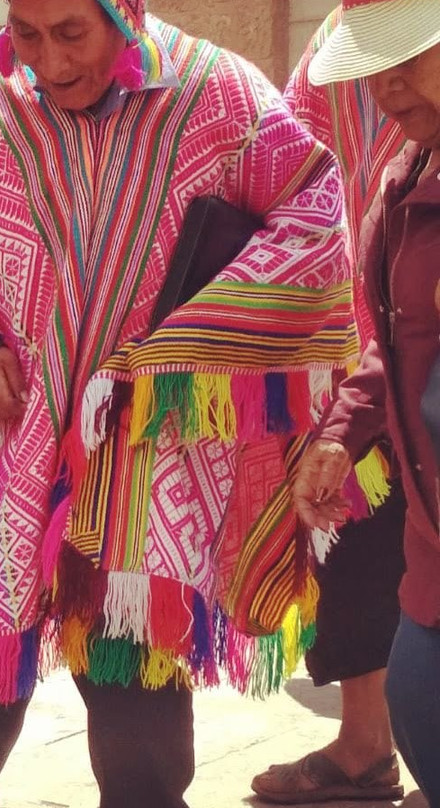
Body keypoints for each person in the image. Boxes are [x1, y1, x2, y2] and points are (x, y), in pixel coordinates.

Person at [0, 0, 370, 806]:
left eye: (72, 32)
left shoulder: (217, 95)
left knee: (140, 730)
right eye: (27, 33)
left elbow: (314, 215)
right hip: (12, 443)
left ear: (122, 12)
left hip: (147, 457)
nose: (50, 62)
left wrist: (179, 355)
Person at [251, 6, 410, 803]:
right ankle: (366, 742)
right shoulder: (335, 42)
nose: (391, 83)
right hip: (361, 338)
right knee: (360, 545)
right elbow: (287, 151)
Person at [293, 1, 440, 804]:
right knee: (417, 697)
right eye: (373, 65)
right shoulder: (405, 180)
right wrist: (342, 432)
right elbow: (396, 335)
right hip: (430, 528)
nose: (385, 86)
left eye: (408, 58)